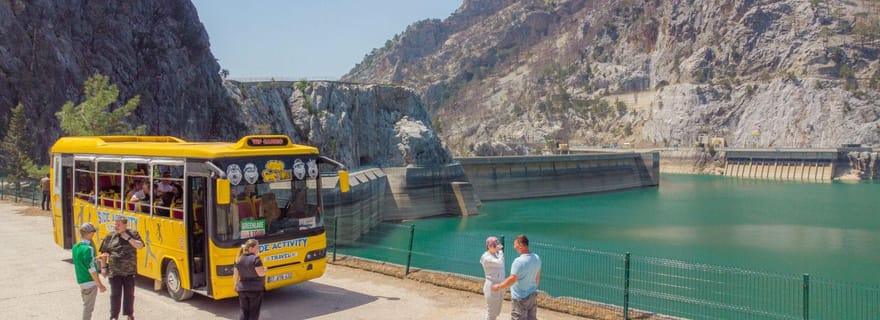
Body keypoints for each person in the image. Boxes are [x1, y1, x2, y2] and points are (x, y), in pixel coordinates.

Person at [99, 216, 144, 320]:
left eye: (118, 225)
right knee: (115, 295)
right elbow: (104, 252)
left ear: (125, 225)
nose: (116, 227)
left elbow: (140, 245)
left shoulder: (133, 234)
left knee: (129, 295)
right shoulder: (110, 236)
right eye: (115, 224)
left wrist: (128, 238)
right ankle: (114, 316)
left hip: (129, 271)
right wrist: (103, 267)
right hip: (114, 272)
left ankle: (129, 315)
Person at [492, 234, 541, 320]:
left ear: (521, 245)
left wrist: (499, 286)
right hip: (532, 295)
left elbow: (512, 279)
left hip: (520, 298)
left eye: (515, 244)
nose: (514, 247)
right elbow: (537, 277)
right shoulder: (536, 258)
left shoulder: (518, 262)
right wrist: (532, 289)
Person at [73, 223, 106, 320]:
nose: (94, 234)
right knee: (88, 308)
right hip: (90, 282)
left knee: (86, 306)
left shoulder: (76, 247)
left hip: (81, 281)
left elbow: (83, 261)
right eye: (93, 232)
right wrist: (100, 285)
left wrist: (96, 258)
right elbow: (91, 269)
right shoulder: (89, 249)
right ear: (88, 234)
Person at [233, 239, 267, 320]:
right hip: (255, 289)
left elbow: (235, 275)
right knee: (253, 312)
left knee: (244, 311)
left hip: (242, 289)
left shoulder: (238, 259)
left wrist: (235, 285)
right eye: (256, 247)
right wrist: (265, 270)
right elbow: (260, 273)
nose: (258, 249)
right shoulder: (256, 259)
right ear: (251, 248)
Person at [480, 236, 505, 320]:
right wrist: (501, 252)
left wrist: (499, 252)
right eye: (495, 246)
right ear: (489, 246)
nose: (497, 248)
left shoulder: (496, 255)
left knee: (497, 311)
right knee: (492, 313)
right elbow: (500, 263)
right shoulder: (486, 257)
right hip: (492, 285)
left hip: (500, 285)